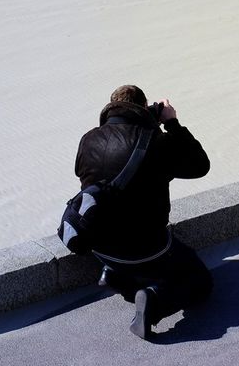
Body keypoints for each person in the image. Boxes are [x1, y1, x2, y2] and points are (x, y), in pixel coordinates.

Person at [74, 85, 212, 339]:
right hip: (149, 249)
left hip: (100, 247)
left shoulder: (88, 139)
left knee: (131, 254)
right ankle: (154, 301)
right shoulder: (158, 143)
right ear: (143, 107)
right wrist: (172, 124)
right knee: (201, 282)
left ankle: (116, 276)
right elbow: (200, 165)